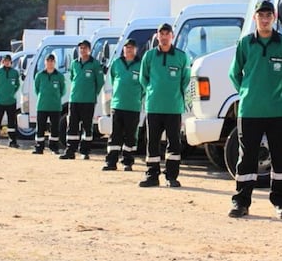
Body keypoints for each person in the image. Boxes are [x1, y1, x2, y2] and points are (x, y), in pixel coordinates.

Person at [227, 0, 282, 219]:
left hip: (278, 112)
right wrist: (246, 93)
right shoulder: (245, 44)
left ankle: (281, 203)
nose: (264, 18)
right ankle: (241, 202)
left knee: (281, 158)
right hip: (249, 111)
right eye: (261, 15)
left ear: (274, 18)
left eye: (268, 15)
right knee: (247, 158)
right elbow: (234, 74)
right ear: (255, 18)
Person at [138, 23, 189, 187]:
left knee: (174, 143)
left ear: (172, 36)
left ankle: (171, 177)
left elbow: (186, 80)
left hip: (173, 108)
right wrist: (151, 91)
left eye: (167, 33)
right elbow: (143, 78)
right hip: (153, 107)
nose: (164, 36)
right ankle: (152, 176)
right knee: (152, 142)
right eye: (161, 34)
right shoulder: (149, 56)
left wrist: (177, 96)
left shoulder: (181, 57)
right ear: (157, 36)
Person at [102, 38, 143, 171]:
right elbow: (113, 80)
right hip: (118, 105)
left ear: (135, 49)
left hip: (133, 106)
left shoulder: (140, 65)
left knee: (131, 135)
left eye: (131, 47)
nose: (128, 49)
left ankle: (127, 162)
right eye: (126, 47)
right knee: (115, 135)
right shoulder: (117, 63)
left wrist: (137, 97)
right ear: (123, 49)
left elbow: (144, 85)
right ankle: (111, 162)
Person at [59, 39, 104, 160]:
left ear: (89, 49)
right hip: (74, 99)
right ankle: (70, 151)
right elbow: (73, 77)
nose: (82, 50)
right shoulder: (74, 63)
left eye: (84, 48)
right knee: (72, 126)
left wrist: (92, 93)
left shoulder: (94, 64)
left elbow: (100, 82)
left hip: (88, 100)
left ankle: (85, 151)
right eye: (80, 48)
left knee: (87, 126)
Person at [33, 53, 66, 154]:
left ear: (54, 62)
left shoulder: (59, 76)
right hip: (42, 105)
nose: (50, 63)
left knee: (55, 128)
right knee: (40, 127)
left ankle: (54, 148)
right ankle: (39, 147)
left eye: (52, 61)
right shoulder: (39, 75)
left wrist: (55, 97)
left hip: (55, 106)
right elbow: (37, 89)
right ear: (45, 62)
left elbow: (63, 90)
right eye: (48, 61)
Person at [0, 54, 21, 148]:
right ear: (2, 61)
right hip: (0, 101)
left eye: (8, 61)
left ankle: (12, 141)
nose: (7, 62)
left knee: (11, 123)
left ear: (11, 62)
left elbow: (17, 85)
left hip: (11, 101)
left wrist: (12, 93)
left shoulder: (14, 72)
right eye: (5, 61)